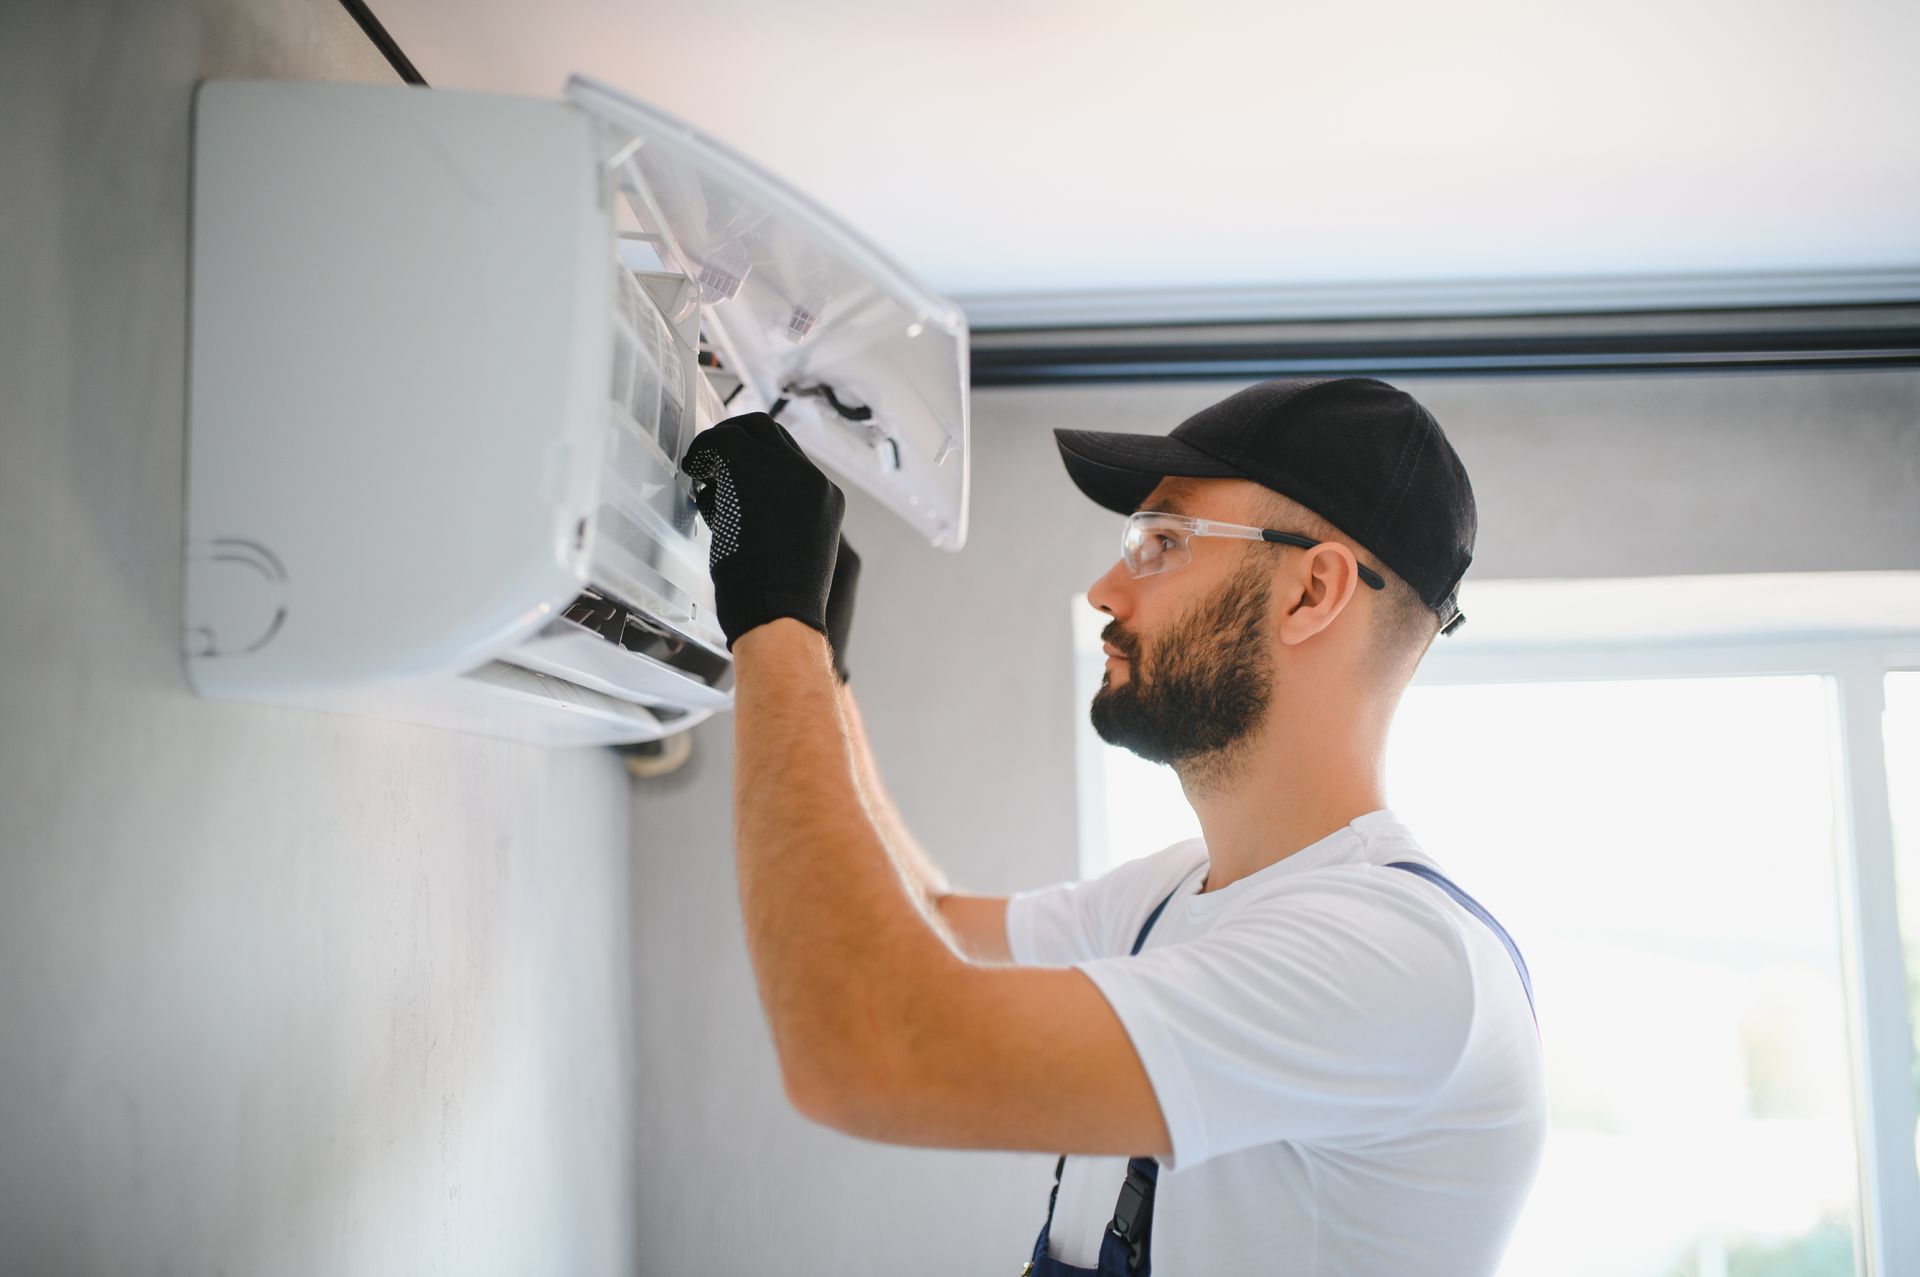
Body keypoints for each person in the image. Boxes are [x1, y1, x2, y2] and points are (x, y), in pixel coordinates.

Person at [678, 376, 1546, 1276]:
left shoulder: (1400, 961)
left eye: (1160, 541)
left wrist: (772, 620)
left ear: (1310, 592)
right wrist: (826, 669)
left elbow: (866, 1046)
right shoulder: (1173, 894)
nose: (1103, 588)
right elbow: (933, 916)